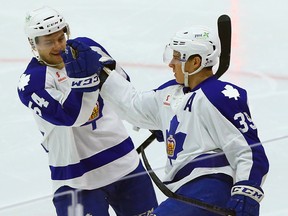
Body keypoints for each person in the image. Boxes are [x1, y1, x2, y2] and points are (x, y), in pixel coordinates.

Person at [69, 26, 269, 215]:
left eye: (176, 58)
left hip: (210, 186)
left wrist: (246, 194)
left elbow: (248, 150)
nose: (171, 64)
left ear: (195, 62)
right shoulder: (171, 93)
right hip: (184, 192)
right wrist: (101, 73)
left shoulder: (219, 96)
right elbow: (133, 105)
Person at [17, 6, 158, 216]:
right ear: (33, 43)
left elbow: (123, 86)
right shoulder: (32, 83)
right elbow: (70, 116)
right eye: (49, 42)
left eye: (60, 37)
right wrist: (86, 82)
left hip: (123, 162)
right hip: (75, 179)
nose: (58, 46)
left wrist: (149, 118)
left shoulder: (88, 48)